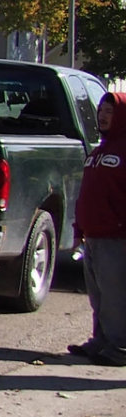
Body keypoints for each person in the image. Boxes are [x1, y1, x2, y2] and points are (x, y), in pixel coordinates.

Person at [71, 90, 126, 367]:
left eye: (110, 112)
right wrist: (78, 227)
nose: (103, 116)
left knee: (116, 295)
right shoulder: (99, 150)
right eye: (102, 110)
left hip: (116, 236)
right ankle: (100, 341)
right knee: (98, 296)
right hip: (92, 235)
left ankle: (119, 347)